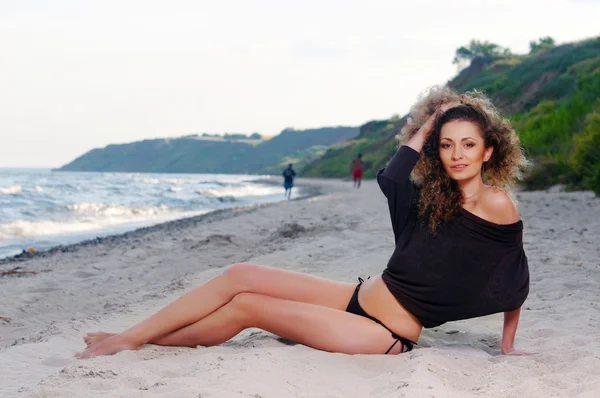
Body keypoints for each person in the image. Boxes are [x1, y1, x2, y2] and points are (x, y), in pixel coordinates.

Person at [76, 87, 531, 359]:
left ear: (489, 150)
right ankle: (132, 335)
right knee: (240, 275)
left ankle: (134, 342)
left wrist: (507, 347)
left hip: (385, 333)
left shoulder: (496, 205)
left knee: (247, 307)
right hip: (358, 297)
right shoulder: (433, 197)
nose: (456, 155)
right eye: (447, 144)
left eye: (468, 145)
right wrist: (432, 122)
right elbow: (392, 174)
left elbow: (513, 281)